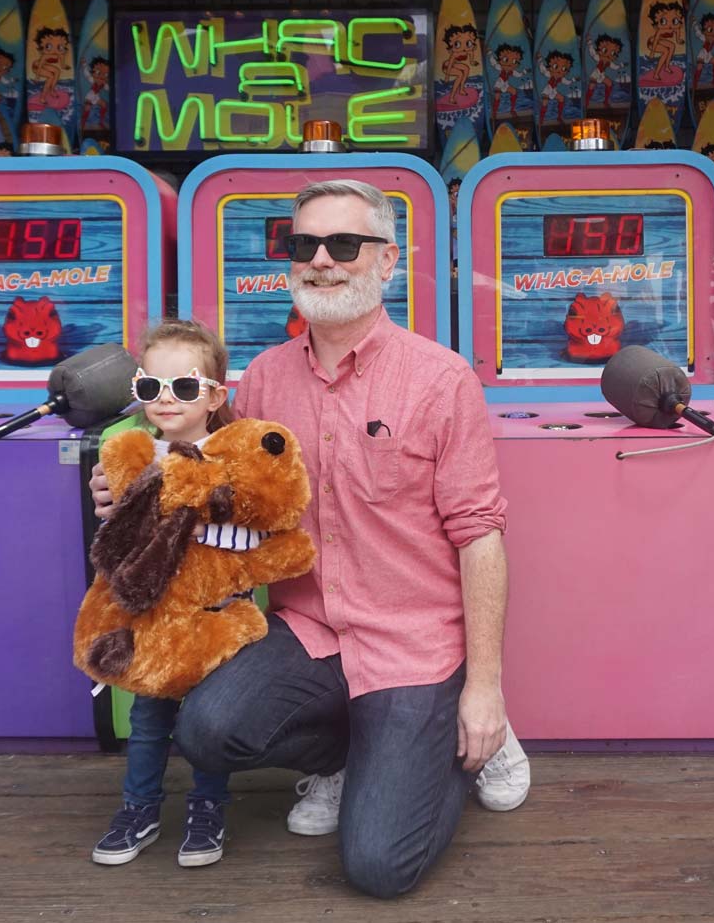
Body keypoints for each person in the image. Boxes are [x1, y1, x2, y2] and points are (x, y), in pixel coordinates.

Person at [89, 180, 530, 898]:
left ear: (387, 261)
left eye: (343, 244)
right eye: (304, 245)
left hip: (413, 645)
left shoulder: (441, 381)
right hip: (310, 631)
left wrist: (485, 688)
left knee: (379, 865)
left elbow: (480, 538)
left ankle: (460, 744)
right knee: (205, 727)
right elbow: (201, 477)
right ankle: (356, 753)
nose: (321, 259)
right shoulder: (261, 380)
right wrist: (127, 492)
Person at [88, 318, 240, 869]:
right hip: (153, 618)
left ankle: (208, 805)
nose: (165, 400)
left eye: (183, 387)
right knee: (149, 720)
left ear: (215, 395)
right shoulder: (128, 450)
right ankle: (139, 807)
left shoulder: (234, 455)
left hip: (218, 616)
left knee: (208, 723)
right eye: (151, 388)